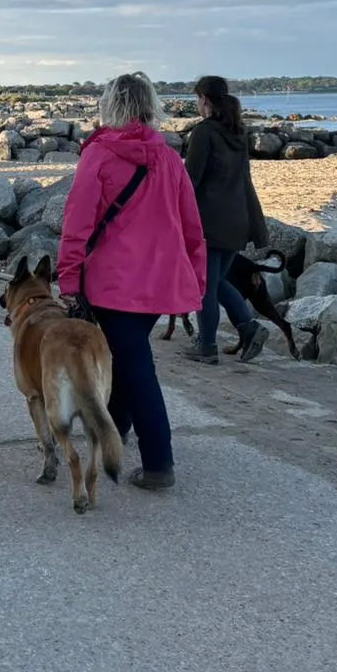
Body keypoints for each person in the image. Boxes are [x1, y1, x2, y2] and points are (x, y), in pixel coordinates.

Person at [57, 72, 205, 492]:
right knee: (126, 357)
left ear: (110, 105)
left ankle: (158, 461)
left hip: (114, 283)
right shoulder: (169, 158)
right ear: (149, 106)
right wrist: (195, 279)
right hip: (161, 281)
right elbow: (192, 226)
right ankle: (114, 430)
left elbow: (77, 223)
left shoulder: (99, 154)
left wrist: (68, 279)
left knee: (135, 365)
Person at [182, 75, 270, 365]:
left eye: (197, 99)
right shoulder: (238, 132)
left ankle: (207, 345)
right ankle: (248, 327)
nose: (197, 104)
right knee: (217, 280)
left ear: (204, 99)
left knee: (204, 285)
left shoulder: (204, 132)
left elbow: (191, 180)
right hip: (239, 219)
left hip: (209, 221)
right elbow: (244, 178)